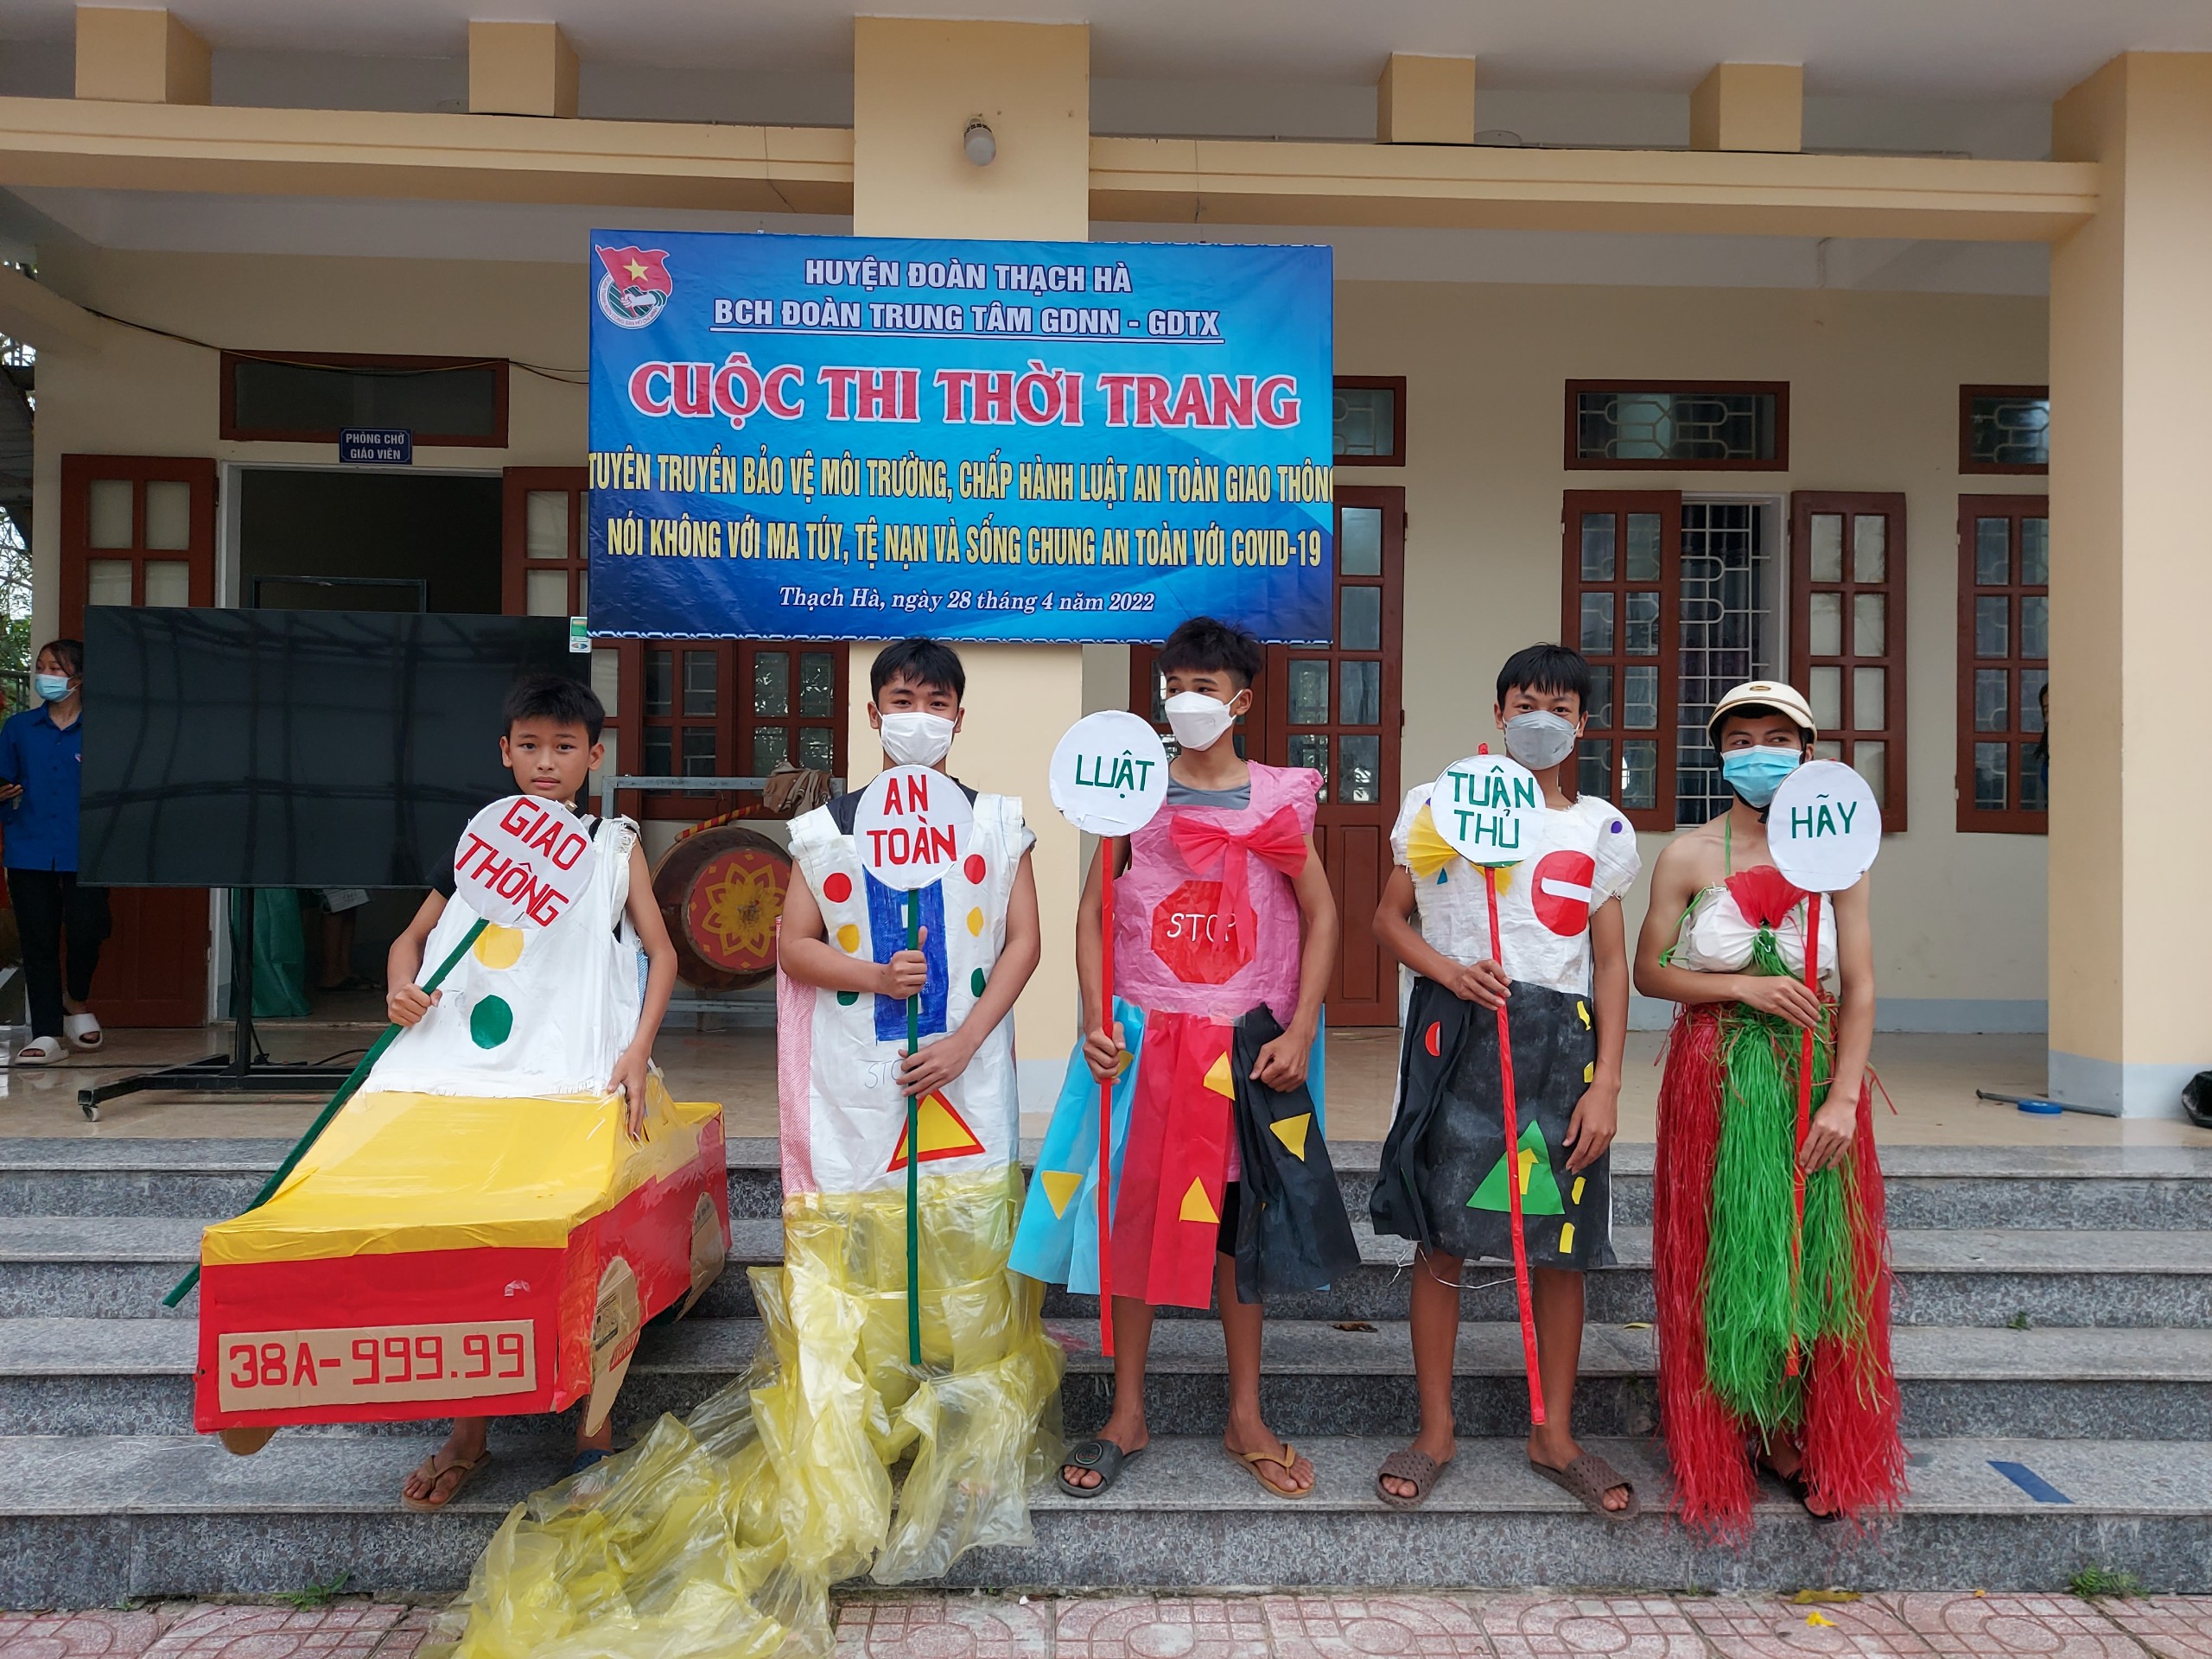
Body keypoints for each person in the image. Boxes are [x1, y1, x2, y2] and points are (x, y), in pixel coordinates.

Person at [1015, 614, 1357, 1502]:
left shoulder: (1280, 798)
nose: (1188, 700)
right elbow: (1093, 913)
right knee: (1133, 1218)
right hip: (1143, 1041)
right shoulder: (1127, 796)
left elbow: (1322, 915)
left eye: (1207, 688)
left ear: (1241, 701)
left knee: (1239, 1229)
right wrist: (1094, 1017)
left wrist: (1303, 1027)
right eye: (1176, 684)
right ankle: (1126, 1408)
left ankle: (1246, 1412)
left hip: (1246, 1048)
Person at [385, 672, 678, 1510]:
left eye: (563, 747)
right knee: (469, 1245)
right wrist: (401, 988)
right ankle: (467, 1433)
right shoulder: (479, 843)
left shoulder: (615, 846)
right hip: (474, 1087)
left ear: (594, 754)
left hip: (579, 1076)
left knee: (586, 1246)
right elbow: (410, 942)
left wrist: (637, 1050)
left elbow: (663, 953)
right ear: (504, 751)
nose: (545, 763)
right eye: (529, 746)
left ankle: (593, 1431)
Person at [1370, 644, 1641, 1516]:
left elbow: (1609, 963)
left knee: (1560, 1244)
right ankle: (1434, 1429)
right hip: (1457, 1037)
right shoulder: (1436, 806)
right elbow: (1388, 917)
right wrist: (1448, 973)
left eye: (1559, 707)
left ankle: (1552, 1432)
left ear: (1583, 723)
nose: (1541, 719)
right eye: (1525, 702)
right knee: (1442, 1236)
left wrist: (1605, 1086)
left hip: (1562, 1045)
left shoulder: (1597, 826)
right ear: (1497, 712)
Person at [1633, 680, 1904, 1533]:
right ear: (1720, 754)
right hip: (1714, 1076)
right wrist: (1744, 986)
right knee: (1723, 1252)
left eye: (1775, 736)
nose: (1757, 751)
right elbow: (1650, 974)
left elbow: (1856, 989)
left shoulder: (1841, 857)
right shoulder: (1687, 853)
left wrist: (1843, 1097)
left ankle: (1798, 1428)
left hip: (1814, 1078)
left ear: (1807, 752)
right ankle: (1730, 1429)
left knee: (1811, 1256)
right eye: (1740, 737)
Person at [0, 639, 110, 1064]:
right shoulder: (19, 728)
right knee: (38, 941)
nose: (43, 674)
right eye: (40, 666)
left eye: (54, 668)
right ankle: (45, 1033)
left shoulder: (104, 729)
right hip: (28, 847)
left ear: (77, 680)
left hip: (89, 849)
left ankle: (76, 1001)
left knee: (88, 929)